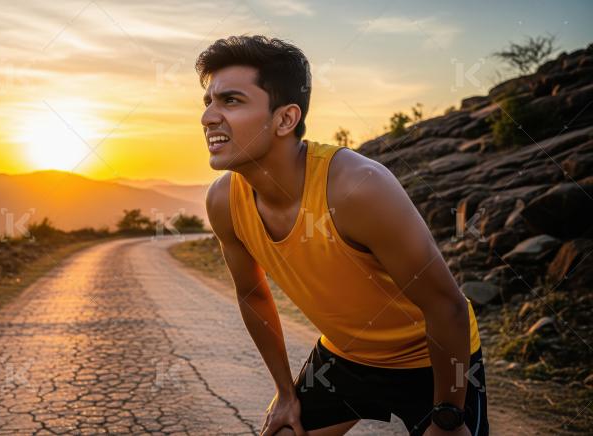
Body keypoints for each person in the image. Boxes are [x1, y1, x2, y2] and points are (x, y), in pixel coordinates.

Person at [198, 35, 488, 436]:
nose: (209, 117)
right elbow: (253, 294)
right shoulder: (223, 202)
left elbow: (447, 307)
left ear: (285, 119)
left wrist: (449, 416)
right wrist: (285, 393)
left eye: (230, 101)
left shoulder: (357, 187)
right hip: (345, 357)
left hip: (429, 360)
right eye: (208, 102)